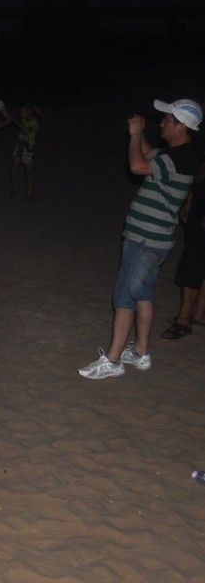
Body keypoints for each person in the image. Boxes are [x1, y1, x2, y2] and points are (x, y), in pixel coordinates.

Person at [78, 98, 200, 379]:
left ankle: (113, 361)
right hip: (154, 238)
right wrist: (140, 133)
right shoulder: (178, 154)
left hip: (146, 239)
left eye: (167, 120)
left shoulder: (178, 158)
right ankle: (141, 352)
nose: (162, 123)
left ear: (181, 127)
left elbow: (137, 165)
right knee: (143, 294)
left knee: (125, 296)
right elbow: (148, 153)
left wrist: (134, 135)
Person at [162, 156, 205, 340]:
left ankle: (184, 319)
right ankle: (199, 314)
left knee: (192, 263)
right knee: (198, 262)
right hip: (199, 207)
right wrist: (189, 200)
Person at [9, 103, 41, 200]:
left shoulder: (34, 123)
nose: (20, 114)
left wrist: (15, 122)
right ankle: (15, 191)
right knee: (13, 171)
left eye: (22, 112)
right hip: (19, 148)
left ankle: (29, 195)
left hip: (27, 150)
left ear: (29, 112)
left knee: (28, 174)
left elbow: (27, 130)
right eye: (20, 112)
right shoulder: (24, 120)